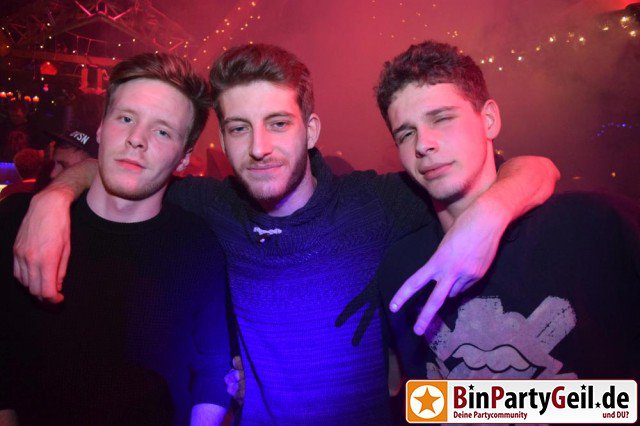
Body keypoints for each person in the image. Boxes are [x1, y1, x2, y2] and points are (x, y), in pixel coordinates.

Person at [13, 44, 559, 424]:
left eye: (278, 123)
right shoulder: (210, 208)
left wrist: (492, 212)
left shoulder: (377, 203)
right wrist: (52, 197)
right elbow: (131, 168)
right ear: (221, 142)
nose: (259, 148)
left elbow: (529, 168)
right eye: (238, 128)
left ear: (311, 130)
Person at [373, 40, 639, 392]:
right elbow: (423, 401)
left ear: (489, 120)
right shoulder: (401, 268)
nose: (423, 144)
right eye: (406, 134)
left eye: (442, 118)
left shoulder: (592, 226)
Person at [0, 52, 230, 425]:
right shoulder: (19, 221)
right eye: (125, 118)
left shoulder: (199, 246)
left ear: (184, 157)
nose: (136, 139)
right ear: (101, 129)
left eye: (162, 131)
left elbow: (212, 373)